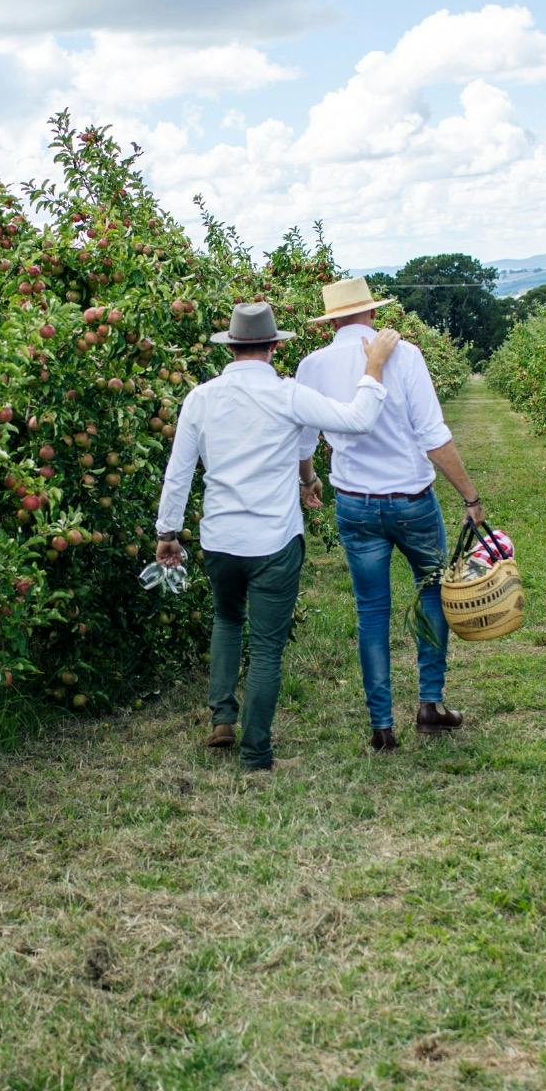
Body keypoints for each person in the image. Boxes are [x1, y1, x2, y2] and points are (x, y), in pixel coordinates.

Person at [154, 301, 402, 773]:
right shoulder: (288, 395)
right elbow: (356, 418)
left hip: (220, 539)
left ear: (232, 346)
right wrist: (373, 368)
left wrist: (168, 531)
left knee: (227, 619)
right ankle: (256, 753)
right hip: (273, 540)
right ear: (272, 347)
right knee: (266, 647)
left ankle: (223, 719)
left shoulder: (201, 398)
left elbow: (178, 473)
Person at [295, 276, 483, 752]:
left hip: (355, 503)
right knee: (433, 593)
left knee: (371, 612)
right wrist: (470, 496)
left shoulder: (312, 365)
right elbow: (432, 435)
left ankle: (381, 725)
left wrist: (309, 479)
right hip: (412, 501)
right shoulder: (407, 356)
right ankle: (430, 703)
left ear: (330, 322)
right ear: (373, 314)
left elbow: (303, 438)